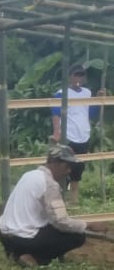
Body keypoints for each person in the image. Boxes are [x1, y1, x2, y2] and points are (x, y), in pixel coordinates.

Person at [0, 144, 87, 267]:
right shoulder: (50, 184)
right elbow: (60, 221)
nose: (69, 171)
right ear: (56, 164)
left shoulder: (29, 175)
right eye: (67, 166)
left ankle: (16, 253)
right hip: (24, 239)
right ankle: (35, 257)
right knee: (78, 236)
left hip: (6, 237)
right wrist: (85, 225)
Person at [51, 63, 99, 204]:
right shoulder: (61, 93)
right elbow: (55, 113)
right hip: (69, 136)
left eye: (81, 75)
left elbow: (91, 112)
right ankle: (59, 198)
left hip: (83, 135)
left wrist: (98, 100)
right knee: (63, 167)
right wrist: (57, 131)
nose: (79, 78)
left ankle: (73, 200)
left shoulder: (87, 93)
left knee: (78, 169)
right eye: (76, 75)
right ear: (70, 77)